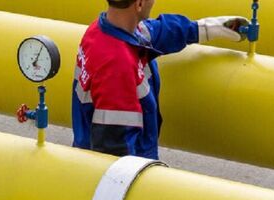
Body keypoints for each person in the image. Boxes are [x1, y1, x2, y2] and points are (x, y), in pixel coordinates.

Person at [72, 0, 248, 158]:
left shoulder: (104, 29)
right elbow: (115, 149)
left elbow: (162, 31)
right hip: (128, 166)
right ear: (139, 4)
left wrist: (210, 28)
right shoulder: (117, 66)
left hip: (96, 152)